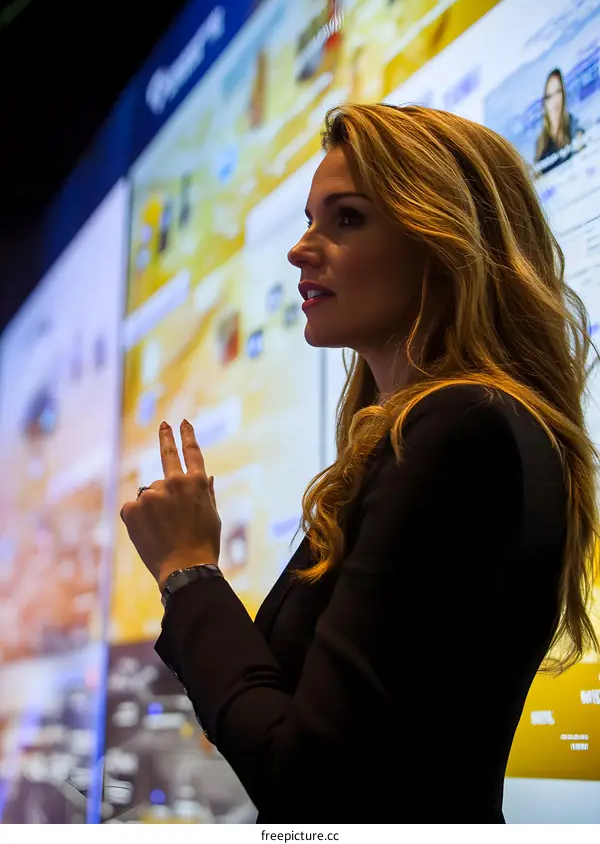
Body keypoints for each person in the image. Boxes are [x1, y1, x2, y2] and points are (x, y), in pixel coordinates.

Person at [120, 103, 600, 823]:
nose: (300, 249)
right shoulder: (438, 433)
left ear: (441, 238)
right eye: (312, 219)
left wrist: (187, 572)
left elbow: (312, 782)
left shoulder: (462, 430)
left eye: (346, 219)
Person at [535, 68, 584, 174]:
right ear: (544, 103)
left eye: (558, 92)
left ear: (563, 94)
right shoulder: (541, 143)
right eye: (549, 96)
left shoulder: (576, 130)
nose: (555, 100)